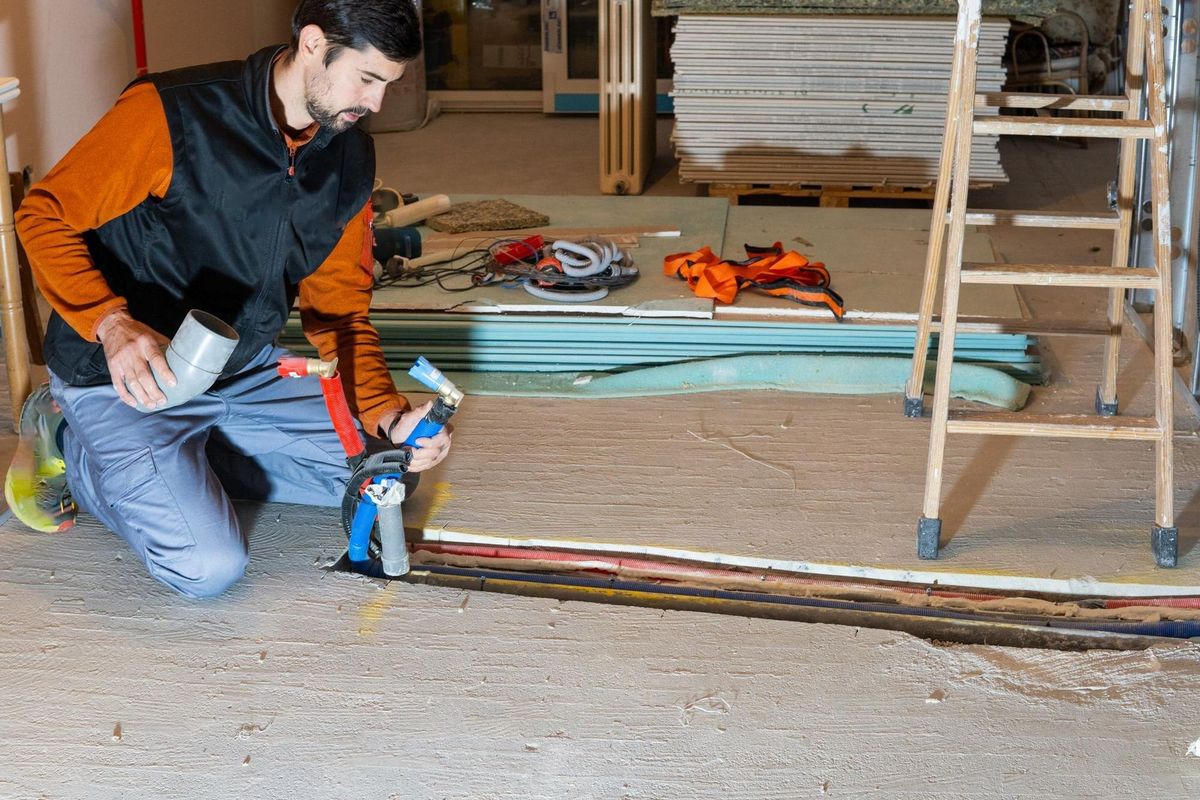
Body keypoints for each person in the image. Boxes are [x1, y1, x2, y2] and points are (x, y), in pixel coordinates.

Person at [6, 0, 452, 598]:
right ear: (315, 44)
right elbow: (43, 215)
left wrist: (387, 411)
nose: (373, 104)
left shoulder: (348, 158)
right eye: (367, 79)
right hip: (125, 376)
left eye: (386, 86)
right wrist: (109, 323)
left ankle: (187, 459)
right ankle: (66, 438)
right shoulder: (172, 113)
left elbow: (339, 310)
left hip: (240, 370)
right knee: (206, 566)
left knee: (383, 472)